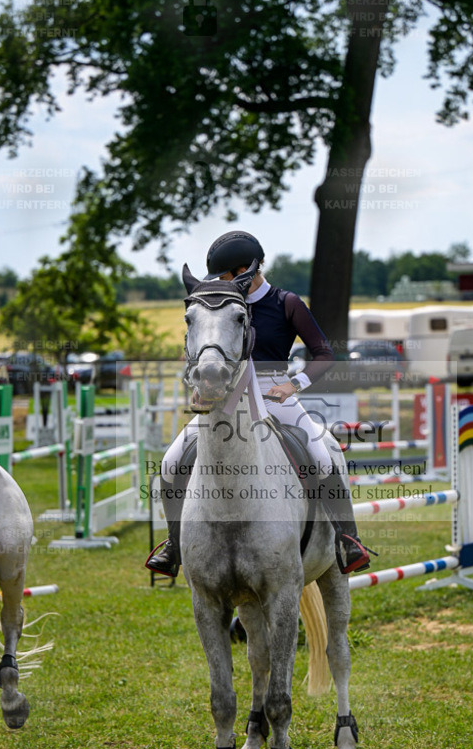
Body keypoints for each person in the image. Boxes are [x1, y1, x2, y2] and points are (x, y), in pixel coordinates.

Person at [145, 230, 371, 578]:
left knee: (323, 459)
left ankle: (348, 540)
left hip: (273, 394)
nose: (220, 284)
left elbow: (324, 353)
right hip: (223, 398)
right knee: (171, 463)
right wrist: (196, 383)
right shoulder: (218, 305)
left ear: (243, 272)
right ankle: (175, 545)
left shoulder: (286, 302)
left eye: (224, 276)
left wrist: (293, 384)